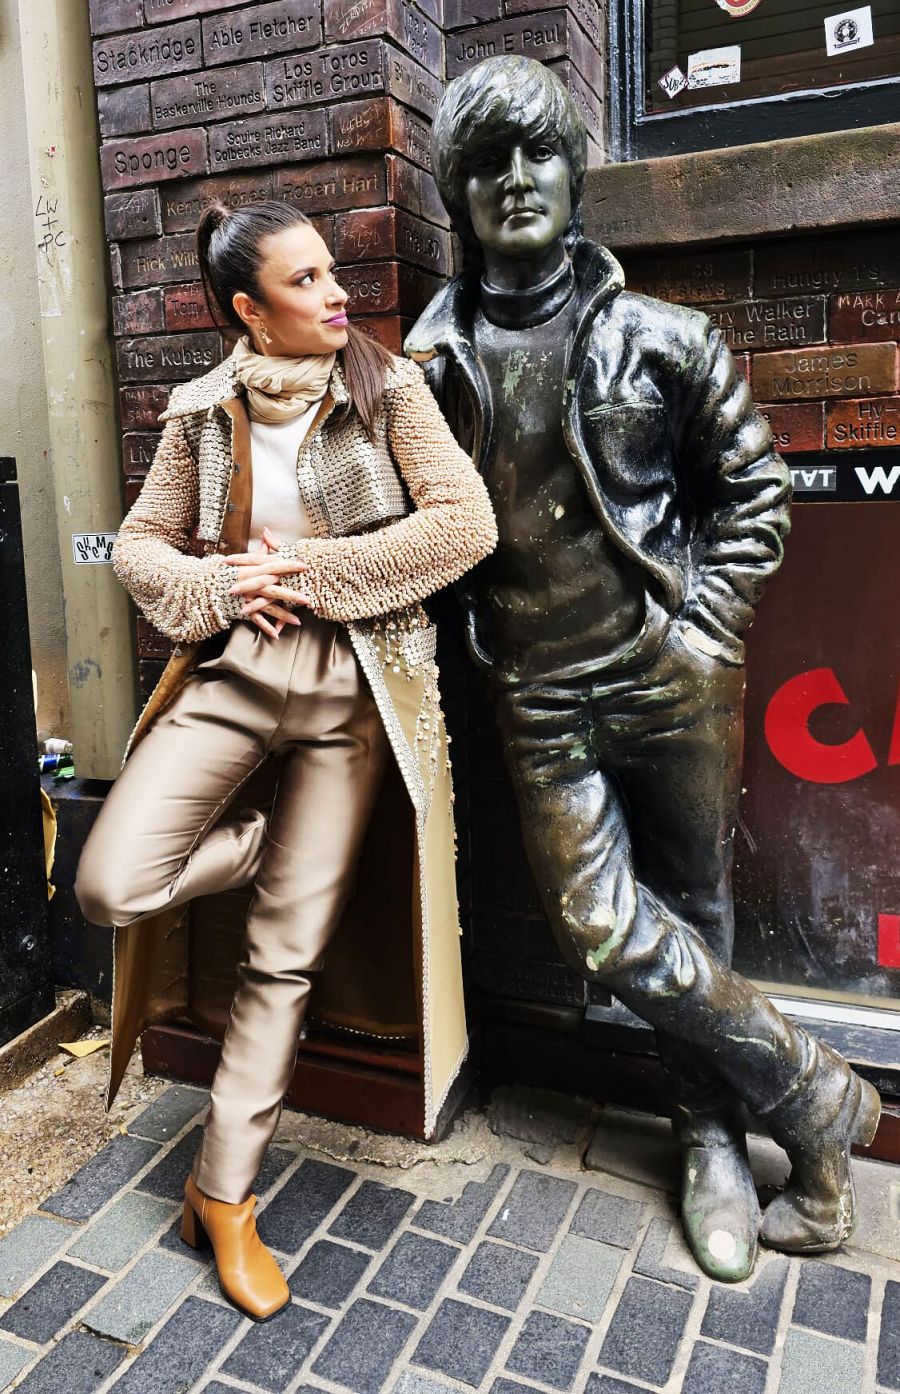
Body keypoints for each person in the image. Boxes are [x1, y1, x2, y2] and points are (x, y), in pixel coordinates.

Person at [406, 55, 880, 1283]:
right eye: (486, 164)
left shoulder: (665, 336)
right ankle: (820, 1095)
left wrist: (705, 630)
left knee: (694, 908)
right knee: (603, 925)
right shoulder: (431, 359)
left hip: (670, 670)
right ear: (456, 194)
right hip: (536, 689)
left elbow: (755, 492)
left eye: (540, 154)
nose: (517, 180)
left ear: (574, 173)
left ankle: (716, 1133)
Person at [76, 199, 497, 1320]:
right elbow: (139, 547)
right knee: (112, 880)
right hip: (234, 683)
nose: (336, 294)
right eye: (305, 283)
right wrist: (223, 587)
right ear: (249, 311)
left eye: (331, 272)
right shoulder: (200, 411)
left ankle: (224, 1195)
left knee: (283, 965)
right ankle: (268, 852)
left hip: (357, 700)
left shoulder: (386, 385)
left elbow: (466, 523)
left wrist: (307, 567)